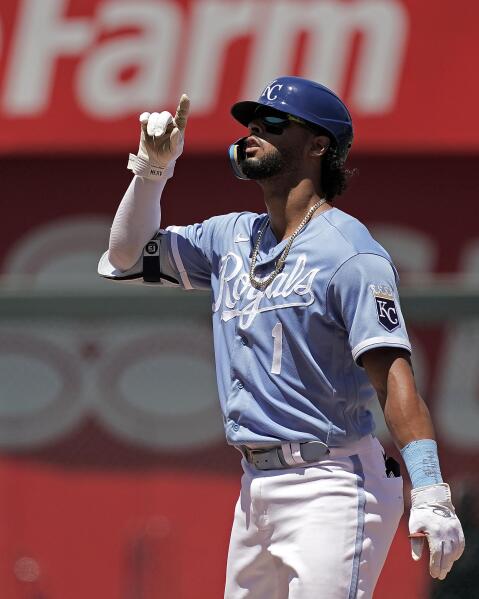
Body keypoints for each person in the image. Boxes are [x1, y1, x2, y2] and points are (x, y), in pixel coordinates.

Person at [98, 76, 464, 598]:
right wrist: (153, 171)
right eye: (250, 121)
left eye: (273, 122)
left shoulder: (350, 253)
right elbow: (126, 256)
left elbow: (395, 383)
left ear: (319, 146)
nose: (253, 131)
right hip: (256, 487)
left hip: (332, 483)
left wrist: (430, 489)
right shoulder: (231, 236)